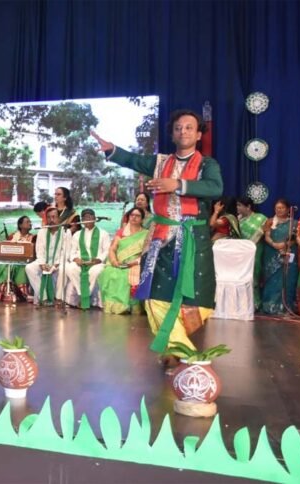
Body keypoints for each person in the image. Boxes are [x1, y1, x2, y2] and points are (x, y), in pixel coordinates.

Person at [92, 109, 223, 364]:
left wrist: (177, 185)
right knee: (154, 298)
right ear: (172, 134)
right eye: (178, 128)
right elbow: (134, 160)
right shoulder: (160, 163)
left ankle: (174, 346)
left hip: (193, 239)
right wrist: (112, 150)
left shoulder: (207, 164)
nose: (183, 131)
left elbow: (215, 187)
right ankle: (186, 356)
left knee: (200, 302)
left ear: (199, 134)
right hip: (160, 240)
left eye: (189, 127)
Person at [98, 207, 148, 314]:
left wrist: (134, 262)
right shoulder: (121, 233)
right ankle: (113, 306)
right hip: (119, 262)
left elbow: (146, 253)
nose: (134, 217)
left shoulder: (146, 234)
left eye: (137, 216)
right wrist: (114, 261)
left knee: (127, 275)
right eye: (132, 215)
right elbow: (112, 249)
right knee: (108, 272)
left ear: (142, 219)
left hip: (137, 263)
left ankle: (128, 306)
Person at [63, 209, 110, 309]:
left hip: (96, 262)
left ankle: (84, 297)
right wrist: (76, 259)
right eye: (84, 218)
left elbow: (107, 251)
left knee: (95, 271)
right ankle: (83, 294)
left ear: (94, 218)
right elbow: (72, 251)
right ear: (82, 220)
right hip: (81, 262)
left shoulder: (103, 233)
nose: (87, 219)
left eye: (89, 217)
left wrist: (98, 260)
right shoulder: (77, 234)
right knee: (70, 268)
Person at [0, 215, 35, 302]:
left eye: (30, 222)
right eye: (27, 222)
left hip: (25, 261)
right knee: (2, 266)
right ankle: (1, 293)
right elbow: (6, 248)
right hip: (11, 260)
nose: (30, 223)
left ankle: (21, 294)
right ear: (20, 225)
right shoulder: (13, 236)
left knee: (18, 267)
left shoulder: (33, 237)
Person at [26, 206, 69, 307]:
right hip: (44, 261)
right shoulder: (42, 231)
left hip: (59, 262)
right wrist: (42, 264)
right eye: (49, 217)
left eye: (54, 217)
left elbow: (65, 252)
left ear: (59, 218)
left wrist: (56, 264)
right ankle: (43, 296)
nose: (51, 220)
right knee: (29, 268)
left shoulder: (66, 232)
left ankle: (58, 298)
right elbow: (39, 250)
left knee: (65, 269)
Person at [262, 198, 298, 314]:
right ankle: (269, 306)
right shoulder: (270, 221)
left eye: (282, 208)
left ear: (288, 210)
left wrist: (284, 245)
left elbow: (294, 238)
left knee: (286, 279)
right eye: (277, 208)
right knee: (272, 279)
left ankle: (285, 306)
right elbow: (266, 236)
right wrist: (274, 244)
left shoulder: (294, 223)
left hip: (287, 252)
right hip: (271, 252)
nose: (279, 210)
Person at [237, 196, 268, 309]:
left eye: (239, 205)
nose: (237, 208)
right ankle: (242, 303)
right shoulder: (238, 219)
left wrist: (249, 246)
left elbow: (262, 234)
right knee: (241, 277)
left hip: (255, 251)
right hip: (240, 253)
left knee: (253, 275)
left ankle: (255, 303)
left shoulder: (261, 218)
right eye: (237, 205)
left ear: (248, 206)